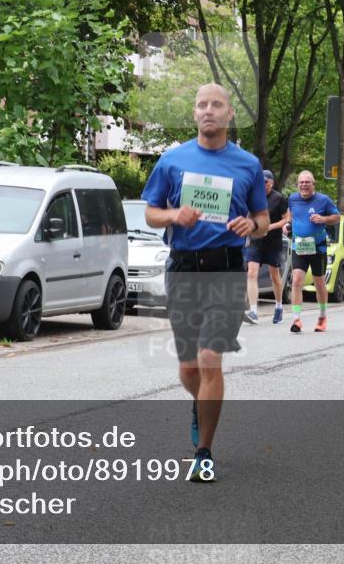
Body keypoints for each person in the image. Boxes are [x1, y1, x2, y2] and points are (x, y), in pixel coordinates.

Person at [142, 83, 269, 482]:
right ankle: (201, 406)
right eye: (202, 105)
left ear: (230, 114)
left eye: (216, 105)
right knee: (187, 368)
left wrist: (252, 225)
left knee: (210, 358)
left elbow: (263, 222)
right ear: (194, 114)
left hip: (227, 269)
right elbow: (150, 213)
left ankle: (204, 451)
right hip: (183, 269)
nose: (208, 110)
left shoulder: (247, 164)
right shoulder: (171, 160)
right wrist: (174, 215)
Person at [284, 171, 341, 333]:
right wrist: (288, 224)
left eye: (307, 182)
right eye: (301, 182)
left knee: (319, 283)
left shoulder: (323, 200)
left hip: (318, 248)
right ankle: (296, 319)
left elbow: (337, 217)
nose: (303, 185)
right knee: (296, 281)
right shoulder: (293, 198)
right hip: (299, 247)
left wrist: (323, 219)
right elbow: (290, 212)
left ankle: (322, 316)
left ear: (313, 184)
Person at [244, 169, 290, 325]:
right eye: (260, 181)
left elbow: (286, 219)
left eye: (265, 182)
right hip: (255, 241)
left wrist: (270, 226)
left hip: (272, 242)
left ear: (271, 182)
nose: (262, 184)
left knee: (274, 275)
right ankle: (253, 310)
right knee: (251, 272)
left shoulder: (279, 198)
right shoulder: (252, 197)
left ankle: (278, 306)